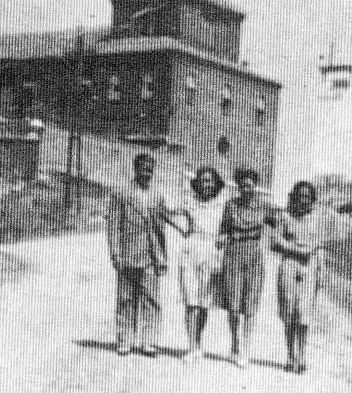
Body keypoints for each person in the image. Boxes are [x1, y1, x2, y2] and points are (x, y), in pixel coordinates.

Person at [105, 153, 171, 357]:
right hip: (127, 253)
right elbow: (113, 226)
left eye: (150, 168)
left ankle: (148, 341)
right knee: (126, 298)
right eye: (143, 168)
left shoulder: (157, 196)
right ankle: (124, 340)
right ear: (135, 168)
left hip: (150, 255)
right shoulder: (121, 192)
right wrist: (116, 254)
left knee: (151, 299)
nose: (147, 172)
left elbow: (161, 230)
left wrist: (162, 258)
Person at [217, 167, 275, 368]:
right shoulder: (230, 205)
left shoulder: (265, 207)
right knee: (233, 306)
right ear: (239, 186)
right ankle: (234, 345)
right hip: (233, 255)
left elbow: (279, 226)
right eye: (243, 184)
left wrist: (271, 243)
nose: (246, 187)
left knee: (250, 306)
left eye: (250, 184)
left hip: (254, 256)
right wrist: (222, 239)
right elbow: (223, 230)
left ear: (255, 186)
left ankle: (246, 350)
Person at [271, 180, 325, 374]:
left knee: (304, 316)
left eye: (307, 197)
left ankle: (302, 356)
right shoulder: (284, 216)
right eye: (300, 196)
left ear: (312, 200)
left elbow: (319, 245)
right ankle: (290, 355)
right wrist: (295, 250)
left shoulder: (317, 218)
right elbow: (275, 241)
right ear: (294, 197)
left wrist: (320, 273)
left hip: (310, 267)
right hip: (289, 265)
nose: (303, 201)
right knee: (289, 313)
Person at [174, 166, 226, 364]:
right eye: (203, 180)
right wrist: (182, 229)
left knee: (204, 304)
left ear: (216, 184)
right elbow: (166, 211)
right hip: (190, 253)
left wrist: (223, 238)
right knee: (190, 302)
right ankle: (191, 346)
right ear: (197, 183)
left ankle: (198, 342)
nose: (207, 184)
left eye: (211, 181)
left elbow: (227, 229)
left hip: (211, 254)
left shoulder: (222, 206)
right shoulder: (189, 203)